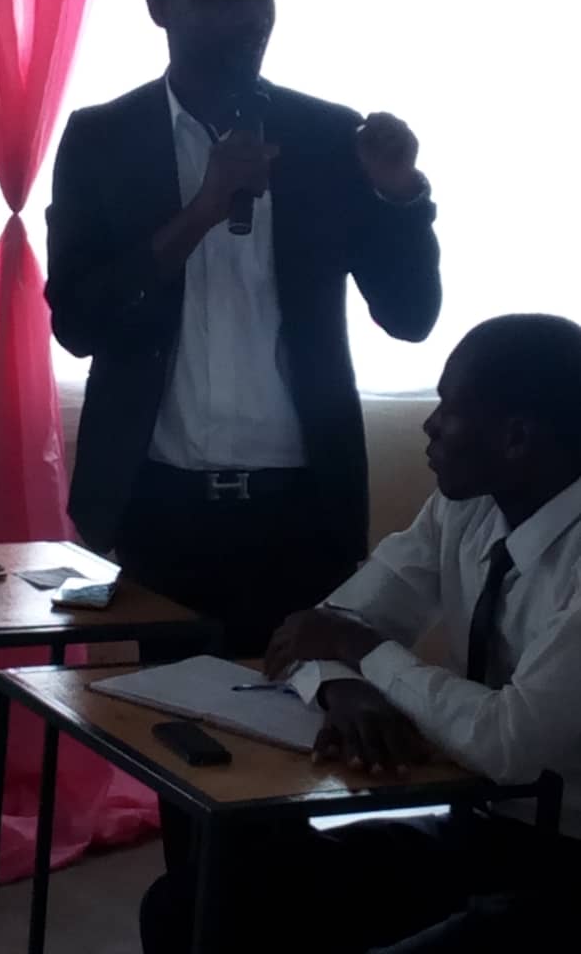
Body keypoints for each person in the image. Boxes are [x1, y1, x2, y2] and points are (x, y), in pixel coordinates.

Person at [46, 0, 441, 658]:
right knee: (169, 721)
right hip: (158, 511)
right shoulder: (102, 140)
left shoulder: (328, 136)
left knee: (301, 719)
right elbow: (78, 322)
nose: (248, 15)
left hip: (303, 512)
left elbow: (410, 315)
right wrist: (201, 211)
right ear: (160, 6)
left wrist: (400, 197)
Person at [140, 313, 581, 953]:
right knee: (192, 907)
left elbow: (509, 743)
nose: (431, 425)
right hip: (483, 828)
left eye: (450, 409)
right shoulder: (465, 507)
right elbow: (318, 627)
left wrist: (361, 651)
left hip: (566, 859)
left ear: (515, 438)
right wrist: (343, 687)